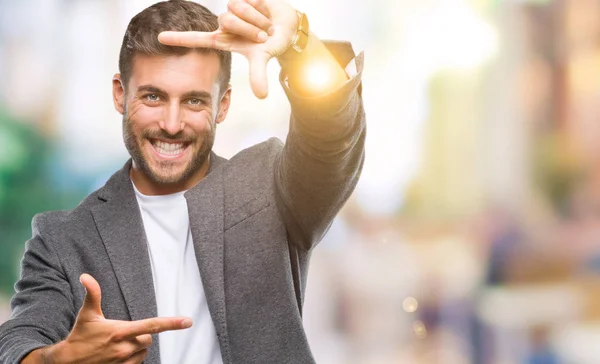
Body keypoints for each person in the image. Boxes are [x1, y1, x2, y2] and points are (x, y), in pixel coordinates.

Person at [0, 0, 365, 362]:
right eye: (153, 96)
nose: (172, 124)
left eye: (193, 101)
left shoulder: (270, 188)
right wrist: (58, 359)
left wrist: (300, 47)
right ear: (120, 94)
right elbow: (19, 343)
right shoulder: (63, 238)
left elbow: (332, 137)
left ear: (223, 105)